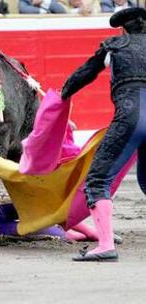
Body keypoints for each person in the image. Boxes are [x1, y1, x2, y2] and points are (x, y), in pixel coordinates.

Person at [61, 7, 146, 261]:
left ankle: (106, 245)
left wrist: (63, 95)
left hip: (131, 116)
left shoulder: (115, 45)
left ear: (123, 29)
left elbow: (85, 73)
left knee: (98, 179)